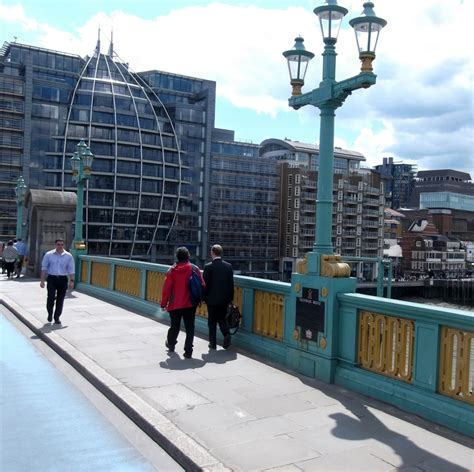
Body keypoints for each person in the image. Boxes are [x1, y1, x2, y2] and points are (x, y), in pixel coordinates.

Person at [160, 246, 204, 359]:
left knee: (174, 326)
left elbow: (166, 289)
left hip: (175, 304)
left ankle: (171, 344)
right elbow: (202, 285)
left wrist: (163, 304)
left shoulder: (171, 270)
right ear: (188, 256)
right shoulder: (194, 269)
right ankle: (188, 351)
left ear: (177, 257)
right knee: (190, 328)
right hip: (190, 304)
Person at [203, 244, 234, 350]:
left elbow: (205, 285)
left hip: (211, 300)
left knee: (211, 322)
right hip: (224, 299)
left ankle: (213, 343)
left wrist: (203, 298)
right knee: (221, 319)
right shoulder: (228, 266)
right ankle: (227, 334)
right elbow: (231, 285)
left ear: (212, 253)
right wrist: (230, 299)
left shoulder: (208, 267)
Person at [40, 239, 75, 325]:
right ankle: (50, 313)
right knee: (50, 297)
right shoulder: (49, 255)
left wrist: (71, 281)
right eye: (58, 244)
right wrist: (42, 280)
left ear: (64, 245)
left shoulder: (68, 256)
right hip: (52, 278)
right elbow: (44, 268)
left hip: (62, 279)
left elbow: (71, 270)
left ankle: (57, 317)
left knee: (60, 299)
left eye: (62, 244)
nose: (60, 246)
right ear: (55, 245)